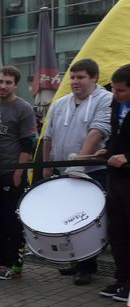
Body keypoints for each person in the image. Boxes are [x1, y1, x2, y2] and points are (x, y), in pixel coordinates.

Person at [42, 58, 112, 286]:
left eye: (80, 77)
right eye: (72, 77)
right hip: (64, 171)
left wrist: (80, 163)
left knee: (86, 220)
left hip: (93, 171)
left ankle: (87, 266)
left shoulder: (105, 99)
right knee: (69, 219)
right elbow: (48, 137)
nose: (74, 81)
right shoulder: (61, 103)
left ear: (94, 78)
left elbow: (98, 132)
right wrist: (46, 166)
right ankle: (77, 260)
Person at [0, 66, 37, 280]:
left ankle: (14, 265)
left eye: (8, 82)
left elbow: (27, 143)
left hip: (11, 172)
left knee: (11, 221)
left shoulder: (23, 108)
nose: (3, 86)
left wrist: (18, 173)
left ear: (15, 85)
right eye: (0, 81)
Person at [96, 64, 130, 302]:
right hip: (116, 178)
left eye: (120, 91)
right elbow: (117, 136)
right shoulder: (117, 104)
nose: (115, 95)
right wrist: (108, 150)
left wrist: (128, 157)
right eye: (113, 90)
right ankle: (122, 278)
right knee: (117, 230)